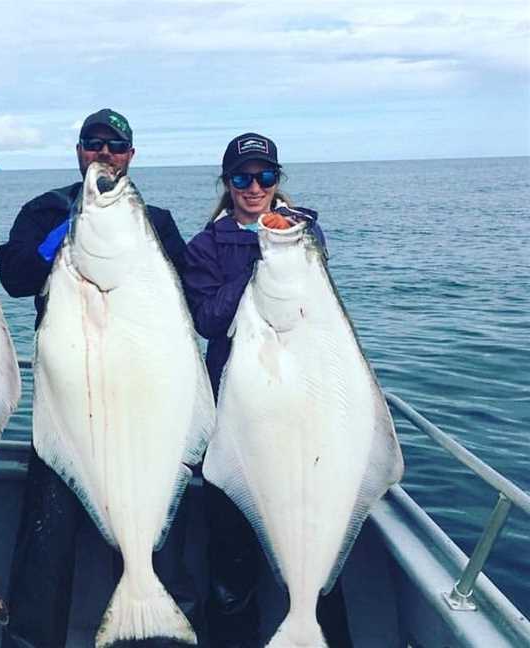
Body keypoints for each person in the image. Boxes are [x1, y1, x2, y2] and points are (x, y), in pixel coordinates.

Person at [0, 108, 201, 648]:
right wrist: (68, 230)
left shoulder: (155, 222)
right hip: (69, 405)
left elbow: (192, 301)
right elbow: (17, 278)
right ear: (79, 150)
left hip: (143, 407)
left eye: (116, 146)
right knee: (45, 549)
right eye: (94, 144)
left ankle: (153, 633)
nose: (104, 154)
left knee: (155, 538)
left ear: (131, 156)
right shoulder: (44, 210)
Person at [181, 133, 353, 648]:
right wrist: (259, 259)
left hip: (307, 415)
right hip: (238, 420)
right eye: (241, 178)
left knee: (320, 561)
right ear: (226, 183)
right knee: (230, 567)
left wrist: (290, 242)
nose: (253, 188)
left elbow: (322, 310)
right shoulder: (205, 247)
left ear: (278, 180)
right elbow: (208, 321)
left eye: (264, 177)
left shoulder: (304, 234)